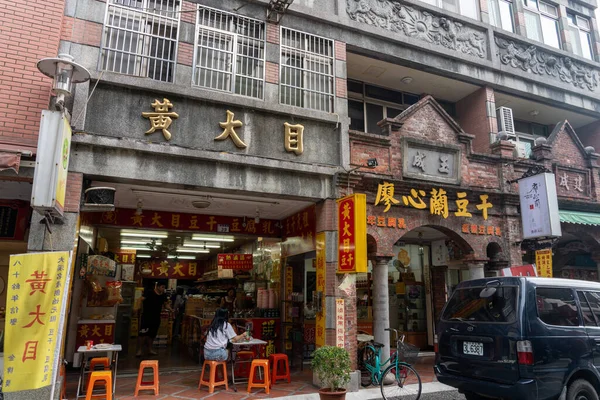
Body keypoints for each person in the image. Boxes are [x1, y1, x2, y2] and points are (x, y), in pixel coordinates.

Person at [136, 281, 172, 357]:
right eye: (162, 287)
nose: (163, 289)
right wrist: (137, 308)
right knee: (142, 334)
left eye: (164, 287)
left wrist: (171, 310)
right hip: (146, 316)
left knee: (152, 334)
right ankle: (139, 350)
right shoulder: (149, 292)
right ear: (158, 286)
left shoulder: (163, 295)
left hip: (156, 317)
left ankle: (150, 349)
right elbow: (140, 299)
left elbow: (166, 305)